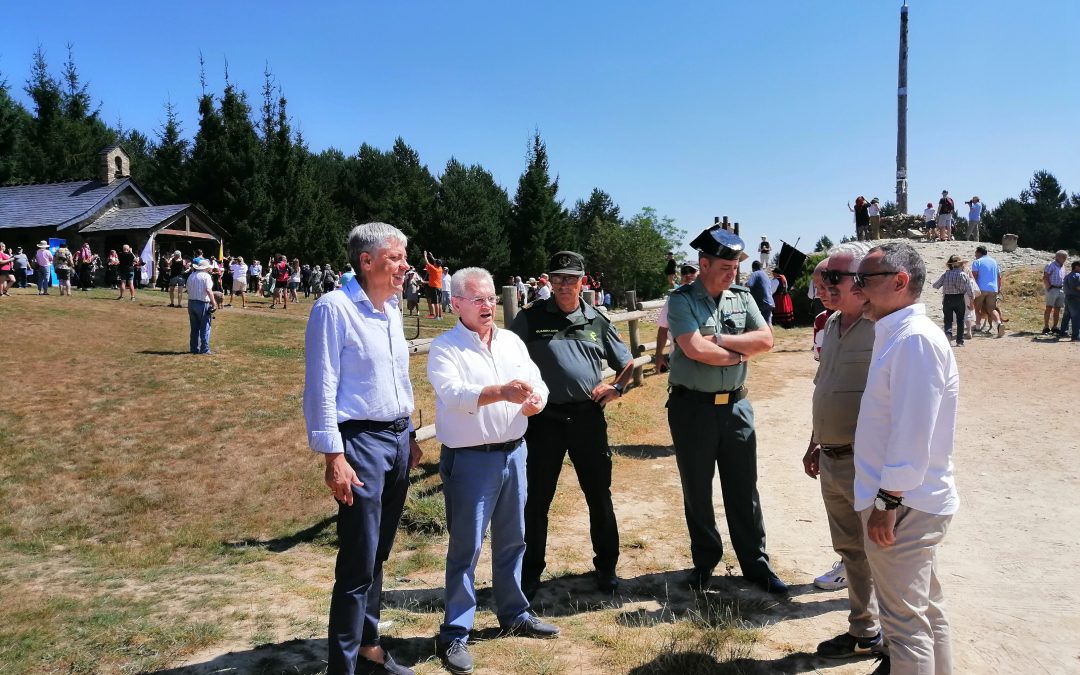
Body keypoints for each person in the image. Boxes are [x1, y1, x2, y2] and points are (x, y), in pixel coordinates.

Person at [302, 222, 422, 675]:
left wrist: (408, 434)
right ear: (366, 261)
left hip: (394, 440)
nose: (405, 266)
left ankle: (370, 647)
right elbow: (321, 387)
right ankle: (343, 666)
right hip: (360, 444)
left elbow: (398, 379)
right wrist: (334, 457)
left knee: (379, 554)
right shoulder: (334, 308)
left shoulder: (389, 308)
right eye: (396, 257)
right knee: (357, 561)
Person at [428, 267, 560, 675]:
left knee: (513, 540)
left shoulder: (512, 342)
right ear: (456, 304)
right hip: (470, 459)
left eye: (491, 298)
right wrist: (501, 392)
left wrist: (537, 400)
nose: (488, 306)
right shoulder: (445, 348)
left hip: (514, 453)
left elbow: (538, 382)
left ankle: (515, 612)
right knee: (466, 548)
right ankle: (455, 633)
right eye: (478, 299)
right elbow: (453, 395)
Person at [851, 242, 960, 675]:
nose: (857, 289)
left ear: (899, 283)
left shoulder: (913, 340)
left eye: (865, 280)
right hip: (908, 500)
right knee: (925, 610)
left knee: (903, 624)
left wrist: (886, 504)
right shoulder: (898, 334)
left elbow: (913, 433)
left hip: (904, 504)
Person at [665, 225, 786, 594]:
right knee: (697, 490)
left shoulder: (742, 296)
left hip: (736, 408)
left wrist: (719, 341)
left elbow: (765, 339)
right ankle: (705, 562)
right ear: (703, 263)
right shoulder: (683, 300)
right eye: (724, 266)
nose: (731, 272)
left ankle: (756, 564)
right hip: (693, 410)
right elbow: (693, 348)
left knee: (743, 488)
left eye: (734, 267)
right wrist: (738, 353)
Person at [510, 250, 634, 599]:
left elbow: (626, 363)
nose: (564, 284)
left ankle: (606, 568)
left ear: (583, 282)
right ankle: (530, 572)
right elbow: (505, 354)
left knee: (599, 495)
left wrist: (618, 386)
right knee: (536, 499)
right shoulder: (531, 318)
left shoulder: (596, 319)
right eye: (558, 278)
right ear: (550, 281)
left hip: (586, 418)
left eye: (571, 278)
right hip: (543, 420)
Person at [803, 245, 883, 660]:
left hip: (866, 463)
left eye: (833, 278)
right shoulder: (832, 324)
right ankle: (864, 632)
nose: (824, 287)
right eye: (824, 279)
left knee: (882, 554)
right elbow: (824, 384)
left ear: (861, 281)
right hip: (832, 457)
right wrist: (815, 441)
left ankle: (897, 644)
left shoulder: (882, 328)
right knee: (850, 551)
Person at [653, 263, 699, 373]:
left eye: (692, 272)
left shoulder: (710, 296)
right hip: (679, 360)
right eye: (684, 272)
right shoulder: (673, 299)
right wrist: (658, 354)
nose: (688, 275)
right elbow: (663, 328)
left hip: (705, 359)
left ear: (700, 274)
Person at [931, 255, 975, 347]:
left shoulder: (946, 274)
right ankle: (959, 341)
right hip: (959, 298)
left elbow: (936, 285)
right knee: (960, 320)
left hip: (948, 299)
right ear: (961, 265)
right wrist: (971, 303)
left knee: (948, 319)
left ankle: (948, 334)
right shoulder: (964, 275)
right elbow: (970, 290)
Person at [970, 245, 1004, 337]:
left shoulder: (977, 262)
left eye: (976, 253)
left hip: (980, 288)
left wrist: (972, 288)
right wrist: (998, 288)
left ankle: (977, 327)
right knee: (991, 309)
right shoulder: (994, 262)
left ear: (979, 253)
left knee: (977, 308)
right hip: (993, 288)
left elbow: (974, 276)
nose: (975, 255)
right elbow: (999, 277)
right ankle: (999, 323)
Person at [185, 258, 218, 354]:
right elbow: (208, 290)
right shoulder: (206, 276)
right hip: (203, 303)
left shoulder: (191, 276)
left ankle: (194, 348)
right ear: (206, 268)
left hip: (191, 302)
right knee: (205, 327)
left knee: (194, 327)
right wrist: (214, 303)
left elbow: (188, 288)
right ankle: (204, 349)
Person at [1043, 250, 1068, 336]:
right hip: (1052, 289)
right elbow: (1045, 277)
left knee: (1058, 309)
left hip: (1061, 289)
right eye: (1063, 257)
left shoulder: (1063, 266)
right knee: (1049, 308)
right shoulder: (1051, 265)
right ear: (1058, 257)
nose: (1065, 259)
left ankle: (1055, 327)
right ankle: (1046, 327)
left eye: (1065, 257)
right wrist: (1048, 287)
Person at [745, 260, 775, 325]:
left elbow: (749, 284)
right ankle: (770, 335)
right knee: (768, 323)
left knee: (753, 323)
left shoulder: (755, 273)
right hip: (770, 302)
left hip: (761, 302)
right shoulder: (765, 274)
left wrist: (745, 284)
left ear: (753, 268)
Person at [1062, 259, 1080, 342]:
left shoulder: (1067, 275)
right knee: (1076, 317)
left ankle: (1063, 332)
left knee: (1066, 316)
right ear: (1076, 267)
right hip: (1075, 299)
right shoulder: (1077, 275)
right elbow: (1078, 287)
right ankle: (1075, 336)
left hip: (1068, 298)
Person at [423, 251, 444, 320]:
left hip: (434, 287)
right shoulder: (440, 268)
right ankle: (440, 316)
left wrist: (425, 256)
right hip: (440, 287)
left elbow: (427, 262)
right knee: (439, 303)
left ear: (435, 264)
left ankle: (437, 316)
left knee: (435, 303)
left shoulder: (433, 268)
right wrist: (432, 256)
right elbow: (436, 262)